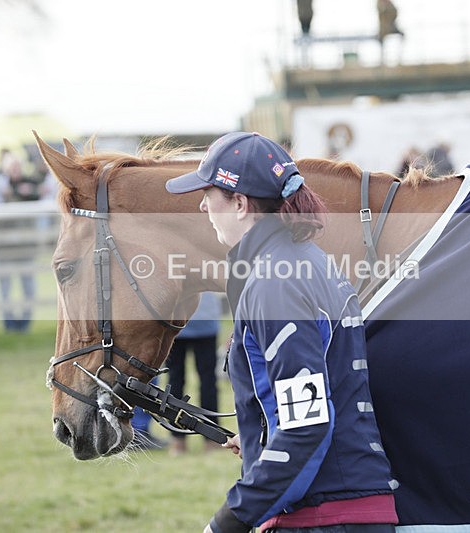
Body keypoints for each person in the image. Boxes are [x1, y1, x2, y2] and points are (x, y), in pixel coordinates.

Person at [166, 132, 397, 533]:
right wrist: (262, 438)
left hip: (325, 517)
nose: (202, 205)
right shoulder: (305, 260)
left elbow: (306, 427)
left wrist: (228, 521)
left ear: (239, 203)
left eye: (209, 193)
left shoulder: (275, 278)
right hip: (346, 506)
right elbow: (318, 398)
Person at [0, 152, 40, 333]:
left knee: (29, 289)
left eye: (17, 167)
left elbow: (40, 192)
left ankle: (25, 324)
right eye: (11, 168)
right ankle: (9, 325)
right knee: (4, 290)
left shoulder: (32, 183)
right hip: (5, 249)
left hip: (26, 249)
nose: (15, 171)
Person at [166, 291, 222, 456]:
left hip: (182, 322)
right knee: (206, 382)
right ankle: (208, 439)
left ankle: (179, 440)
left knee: (176, 380)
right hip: (190, 323)